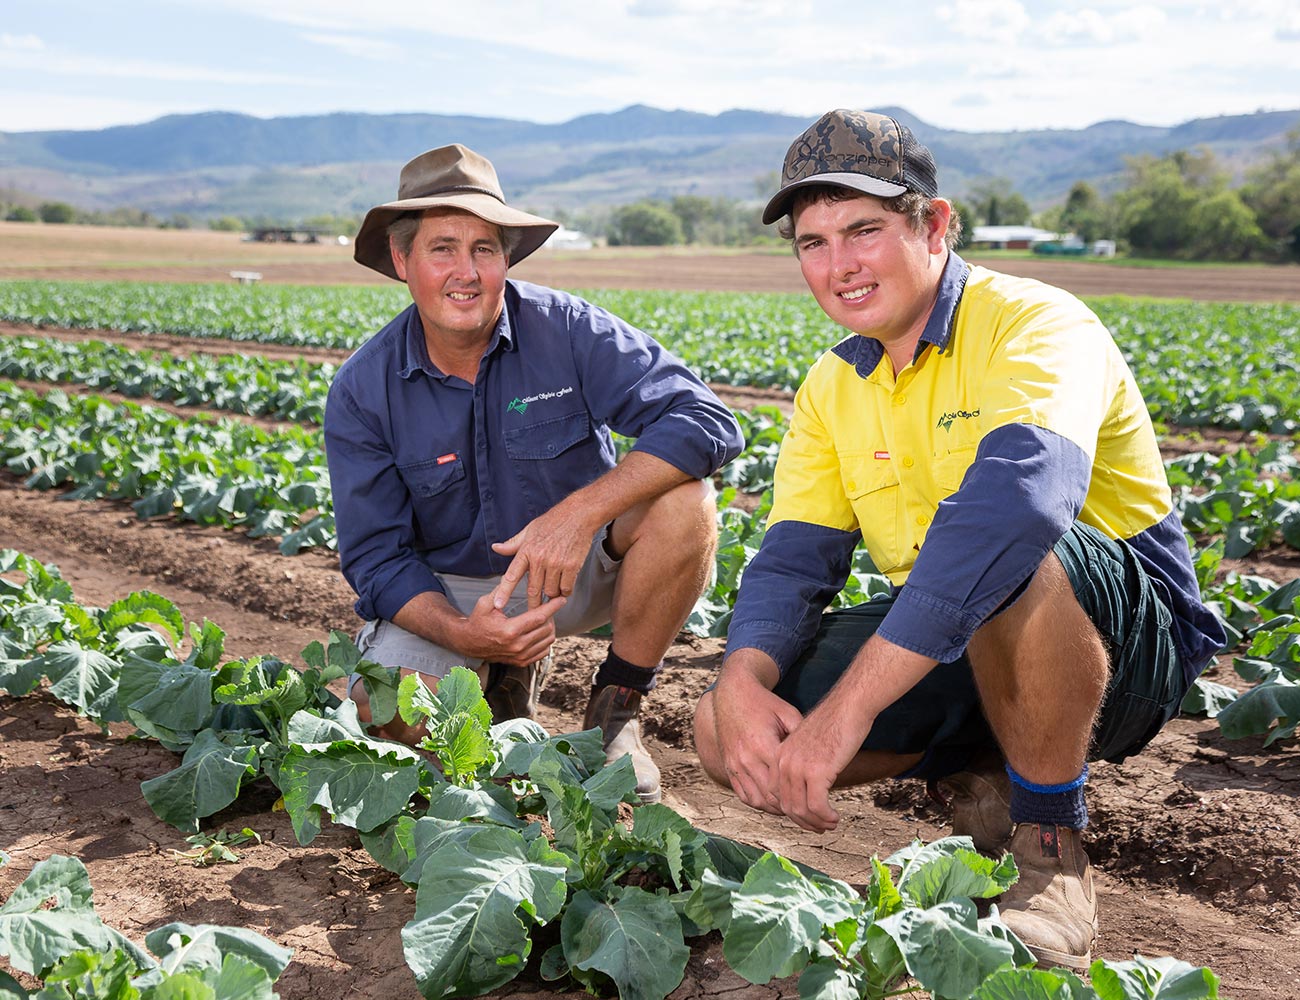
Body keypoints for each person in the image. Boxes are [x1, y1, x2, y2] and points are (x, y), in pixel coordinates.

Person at [694, 109, 1224, 968]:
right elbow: (794, 557)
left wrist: (850, 712)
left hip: (1125, 646)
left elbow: (1017, 508)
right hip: (957, 633)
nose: (840, 264)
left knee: (1005, 551)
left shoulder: (1038, 322)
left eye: (864, 230)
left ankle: (1051, 848)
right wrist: (744, 679)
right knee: (722, 731)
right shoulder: (834, 382)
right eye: (814, 242)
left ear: (934, 226)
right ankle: (984, 770)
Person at [325, 143, 743, 804]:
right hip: (452, 592)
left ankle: (616, 715)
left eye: (484, 250)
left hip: (571, 574)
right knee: (392, 713)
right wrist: (463, 633)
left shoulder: (569, 331)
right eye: (442, 249)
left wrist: (578, 514)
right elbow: (376, 557)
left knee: (685, 498)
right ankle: (496, 679)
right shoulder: (363, 389)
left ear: (506, 259)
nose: (466, 272)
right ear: (402, 261)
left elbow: (706, 420)